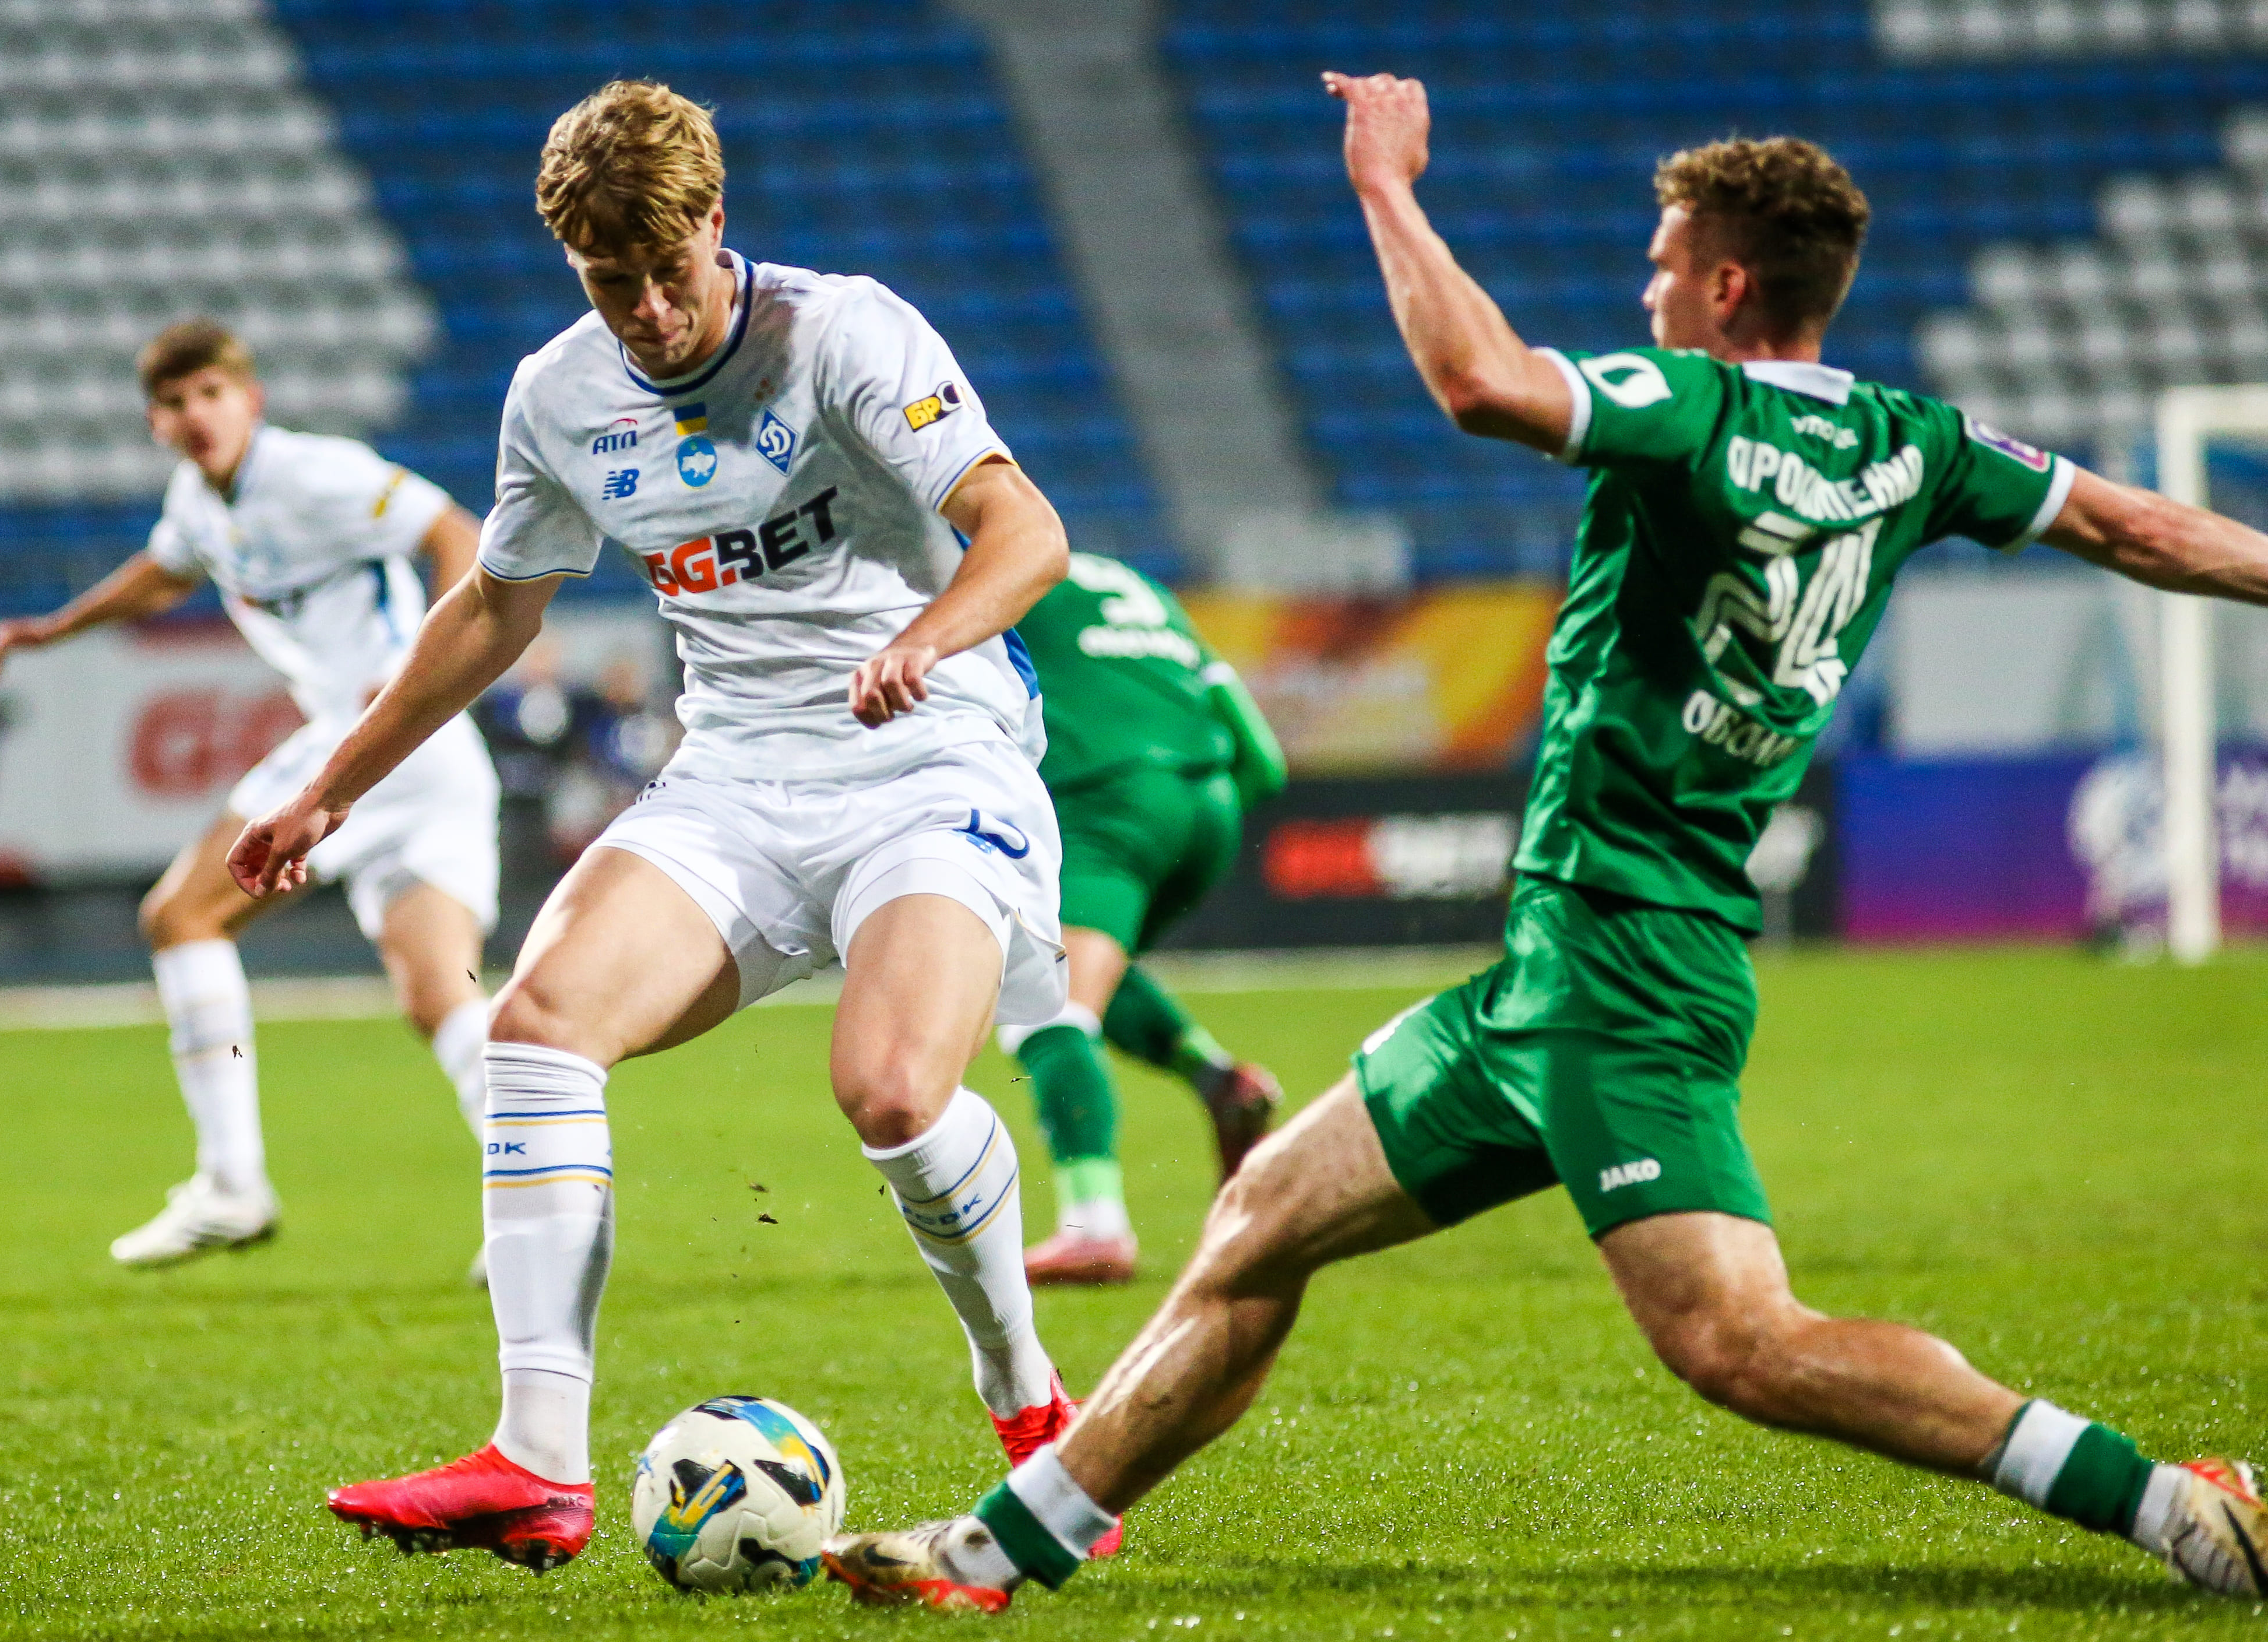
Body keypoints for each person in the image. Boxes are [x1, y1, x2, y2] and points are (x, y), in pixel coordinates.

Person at [822, 75, 2268, 1609]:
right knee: (1257, 1222)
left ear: (1724, 287)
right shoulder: (1915, 442)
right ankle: (993, 1553)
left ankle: (2164, 1504)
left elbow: (1481, 383)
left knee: (1736, 1339)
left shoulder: (1694, 410)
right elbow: (2133, 526)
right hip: (1551, 975)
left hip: (1620, 975)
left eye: (1661, 264)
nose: (1646, 291)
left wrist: (1385, 188)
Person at [227, 81, 1107, 1573]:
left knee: (892, 1092)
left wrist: (927, 637)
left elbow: (1025, 531)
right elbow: (494, 606)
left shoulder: (842, 332)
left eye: (666, 270)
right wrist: (331, 783)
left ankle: (1031, 1408)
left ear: (715, 222)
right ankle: (535, 1460)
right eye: (607, 281)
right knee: (534, 1024)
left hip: (927, 757)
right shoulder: (558, 394)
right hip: (736, 779)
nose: (644, 310)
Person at [0, 319, 498, 1272]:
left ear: (250, 400)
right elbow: (164, 574)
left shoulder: (316, 473)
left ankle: (231, 1182)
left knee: (182, 916)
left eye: (211, 394)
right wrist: (55, 629)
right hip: (432, 759)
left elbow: (456, 534)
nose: (196, 415)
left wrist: (416, 679)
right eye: (175, 403)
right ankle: (546, 1193)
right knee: (442, 994)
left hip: (372, 738)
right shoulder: (198, 500)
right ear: (155, 422)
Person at [1003, 551, 1287, 1285]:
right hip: (1209, 805)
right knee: (1055, 956)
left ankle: (1095, 1228)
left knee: (1042, 1003)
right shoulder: (1143, 589)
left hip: (1107, 804)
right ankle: (1218, 1081)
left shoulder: (994, 572)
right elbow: (1264, 759)